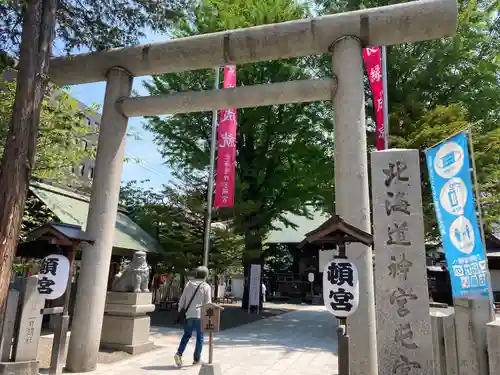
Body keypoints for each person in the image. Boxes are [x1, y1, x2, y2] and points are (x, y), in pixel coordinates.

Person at [174, 266, 211, 367]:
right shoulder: (206, 286)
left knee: (186, 335)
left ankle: (179, 353)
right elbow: (208, 303)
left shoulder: (189, 284)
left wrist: (179, 311)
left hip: (189, 314)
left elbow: (182, 300)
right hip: (200, 315)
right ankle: (196, 359)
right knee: (200, 338)